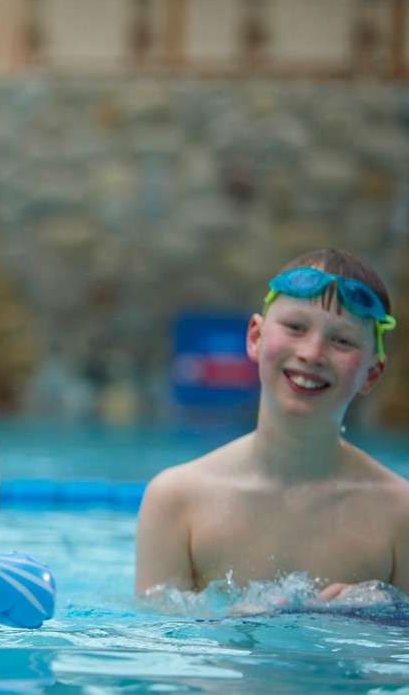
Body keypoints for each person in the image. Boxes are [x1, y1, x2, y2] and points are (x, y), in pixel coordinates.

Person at [135, 248, 407, 601]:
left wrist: (377, 624)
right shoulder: (176, 499)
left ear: (372, 372)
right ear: (255, 338)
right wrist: (232, 628)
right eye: (295, 327)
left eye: (341, 340)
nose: (312, 353)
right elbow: (154, 641)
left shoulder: (399, 515)